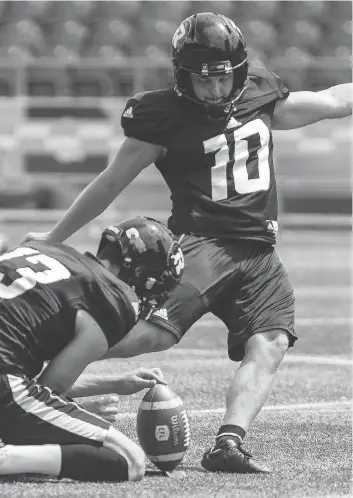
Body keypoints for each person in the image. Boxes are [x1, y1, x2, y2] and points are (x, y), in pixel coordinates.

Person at [22, 12, 352, 474]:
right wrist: (55, 237)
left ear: (239, 71)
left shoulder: (259, 91)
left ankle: (228, 444)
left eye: (223, 78)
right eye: (204, 80)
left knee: (272, 341)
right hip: (203, 243)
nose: (216, 89)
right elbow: (110, 182)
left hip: (258, 250)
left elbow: (333, 100)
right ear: (183, 77)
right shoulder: (162, 117)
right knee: (147, 336)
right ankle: (25, 369)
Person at [0, 216, 184, 481]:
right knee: (131, 461)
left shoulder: (45, 248)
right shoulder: (111, 299)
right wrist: (79, 412)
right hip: (5, 382)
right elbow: (49, 387)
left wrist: (114, 383)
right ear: (145, 275)